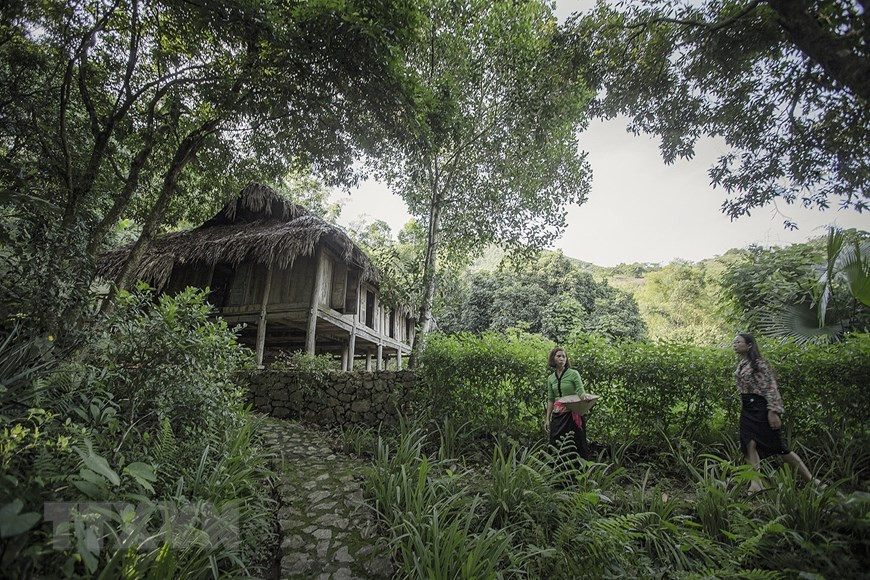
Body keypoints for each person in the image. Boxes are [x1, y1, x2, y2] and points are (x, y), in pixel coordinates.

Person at [733, 333, 821, 492]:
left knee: (779, 447)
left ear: (749, 345)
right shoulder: (742, 364)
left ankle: (812, 480)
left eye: (738, 342)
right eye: (734, 342)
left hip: (761, 407)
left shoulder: (759, 364)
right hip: (747, 408)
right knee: (748, 444)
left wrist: (773, 411)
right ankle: (756, 483)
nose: (735, 344)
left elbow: (770, 388)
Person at [544, 346, 588, 459]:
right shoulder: (551, 378)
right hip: (558, 415)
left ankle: (577, 473)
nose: (562, 359)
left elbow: (580, 392)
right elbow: (551, 399)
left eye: (564, 356)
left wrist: (585, 398)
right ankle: (557, 472)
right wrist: (547, 419)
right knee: (556, 443)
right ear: (553, 358)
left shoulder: (574, 374)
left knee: (574, 444)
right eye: (558, 356)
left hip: (572, 414)